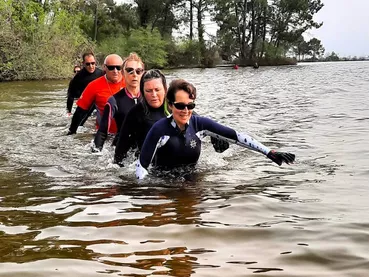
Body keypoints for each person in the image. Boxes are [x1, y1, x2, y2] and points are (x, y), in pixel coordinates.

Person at [135, 79, 295, 179]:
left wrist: (268, 152)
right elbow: (142, 167)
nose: (185, 110)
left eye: (190, 106)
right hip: (163, 180)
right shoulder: (159, 130)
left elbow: (237, 137)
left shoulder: (200, 125)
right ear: (170, 105)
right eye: (180, 106)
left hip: (192, 177)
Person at [114, 69, 229, 166]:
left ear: (165, 89)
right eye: (148, 91)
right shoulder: (135, 114)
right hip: (154, 170)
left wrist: (216, 137)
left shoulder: (177, 107)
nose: (153, 95)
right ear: (142, 92)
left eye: (157, 90)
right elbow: (120, 153)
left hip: (182, 165)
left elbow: (199, 123)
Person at [93, 53, 144, 150]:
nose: (134, 75)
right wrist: (95, 154)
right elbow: (102, 132)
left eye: (138, 71)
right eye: (130, 70)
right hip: (122, 152)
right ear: (123, 73)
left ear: (143, 73)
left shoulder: (150, 98)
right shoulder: (114, 100)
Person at [67, 54, 126, 135]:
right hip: (105, 134)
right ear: (105, 67)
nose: (115, 71)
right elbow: (80, 112)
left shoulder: (130, 82)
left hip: (126, 133)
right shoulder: (93, 85)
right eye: (111, 68)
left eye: (118, 67)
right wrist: (71, 132)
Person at [66, 52, 104, 116]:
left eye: (93, 63)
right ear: (83, 64)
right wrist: (69, 111)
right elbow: (71, 95)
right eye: (88, 64)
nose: (91, 66)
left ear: (95, 62)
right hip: (85, 106)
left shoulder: (101, 74)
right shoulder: (78, 77)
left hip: (98, 106)